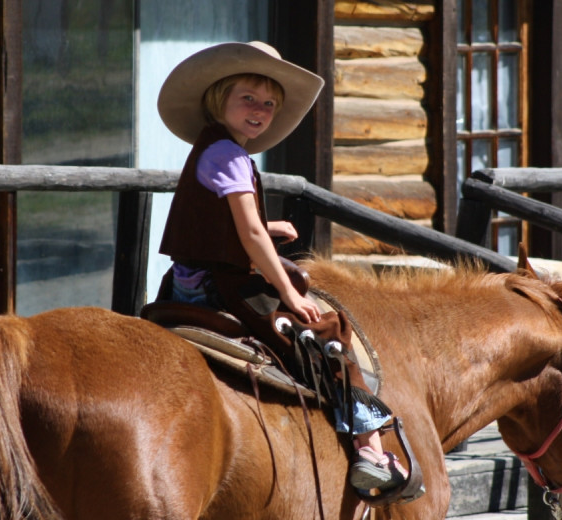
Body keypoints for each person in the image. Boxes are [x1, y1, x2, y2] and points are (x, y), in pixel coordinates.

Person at [156, 41, 409, 493]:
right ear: (220, 100)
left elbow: (229, 223)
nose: (259, 110)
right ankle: (370, 448)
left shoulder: (214, 149)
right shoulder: (231, 156)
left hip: (186, 279)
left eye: (269, 103)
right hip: (220, 285)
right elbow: (250, 237)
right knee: (326, 333)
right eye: (248, 99)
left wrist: (266, 226)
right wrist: (290, 295)